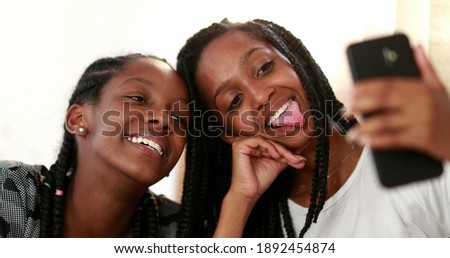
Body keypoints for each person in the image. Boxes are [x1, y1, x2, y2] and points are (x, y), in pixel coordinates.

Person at [175, 18, 450, 237]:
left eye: (264, 67)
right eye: (235, 100)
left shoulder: (415, 161)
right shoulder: (259, 223)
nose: (260, 96)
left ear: (298, 62)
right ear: (229, 134)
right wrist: (240, 201)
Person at [0, 53, 190, 237]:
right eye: (138, 99)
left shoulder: (182, 232)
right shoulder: (10, 189)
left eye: (179, 118)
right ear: (78, 119)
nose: (164, 120)